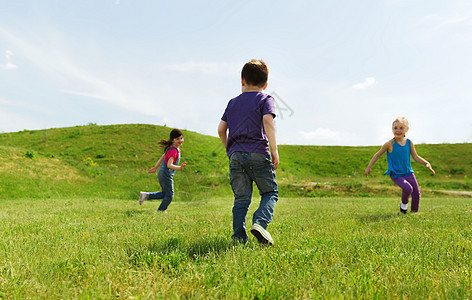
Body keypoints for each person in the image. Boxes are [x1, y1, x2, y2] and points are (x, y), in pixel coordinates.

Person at [218, 59, 279, 245]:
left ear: (242, 80)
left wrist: (230, 149)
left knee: (241, 198)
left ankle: (238, 237)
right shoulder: (266, 99)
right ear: (266, 84)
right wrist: (274, 150)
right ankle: (260, 223)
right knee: (269, 192)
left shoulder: (232, 102)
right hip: (258, 152)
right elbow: (268, 122)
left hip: (236, 154)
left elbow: (221, 129)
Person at [364, 117, 435, 213]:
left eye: (401, 128)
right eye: (395, 128)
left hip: (408, 173)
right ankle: (403, 207)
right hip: (396, 174)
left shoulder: (409, 143)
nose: (398, 130)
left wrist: (427, 163)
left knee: (416, 194)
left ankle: (414, 212)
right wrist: (369, 167)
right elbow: (377, 155)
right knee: (407, 188)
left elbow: (415, 157)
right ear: (392, 129)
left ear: (406, 129)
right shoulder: (389, 144)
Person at [139, 129, 187, 212]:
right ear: (173, 140)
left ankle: (146, 195)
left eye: (181, 138)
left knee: (165, 193)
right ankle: (160, 211)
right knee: (170, 195)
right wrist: (180, 167)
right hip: (166, 174)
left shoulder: (172, 148)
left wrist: (156, 167)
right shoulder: (173, 150)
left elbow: (163, 157)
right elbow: (169, 165)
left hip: (162, 172)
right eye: (177, 139)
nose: (180, 140)